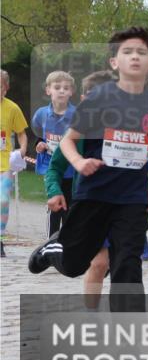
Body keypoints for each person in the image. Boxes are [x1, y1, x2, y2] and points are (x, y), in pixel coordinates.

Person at [28, 27, 148, 313]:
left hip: (131, 199)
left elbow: (141, 149)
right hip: (95, 194)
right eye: (127, 52)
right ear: (114, 62)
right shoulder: (100, 97)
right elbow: (68, 141)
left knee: (128, 263)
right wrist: (79, 163)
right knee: (76, 262)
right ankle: (53, 249)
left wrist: (147, 189)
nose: (135, 57)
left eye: (142, 52)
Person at [44, 70, 118, 308]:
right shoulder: (79, 132)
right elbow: (54, 167)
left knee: (120, 263)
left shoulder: (129, 127)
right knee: (98, 264)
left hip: (123, 206)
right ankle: (53, 248)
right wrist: (54, 191)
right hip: (89, 205)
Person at [31, 71, 76, 237]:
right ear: (48, 90)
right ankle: (51, 242)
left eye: (66, 88)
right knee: (54, 206)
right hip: (51, 168)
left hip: (71, 169)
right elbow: (38, 134)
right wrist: (39, 144)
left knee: (69, 208)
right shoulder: (41, 114)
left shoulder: (77, 115)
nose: (62, 91)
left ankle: (68, 243)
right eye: (57, 87)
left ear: (71, 92)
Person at [1, 69, 30, 257]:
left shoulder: (12, 108)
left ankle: (0, 238)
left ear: (6, 88)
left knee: (2, 201)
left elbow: (21, 132)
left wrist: (23, 148)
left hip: (4, 164)